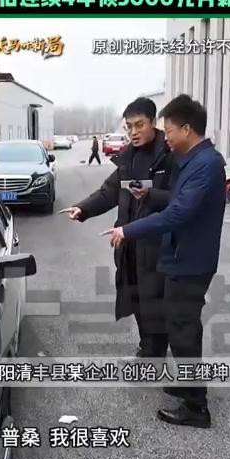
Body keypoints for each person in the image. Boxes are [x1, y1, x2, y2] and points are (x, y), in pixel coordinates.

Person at [107, 94, 226, 429]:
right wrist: (151, 195)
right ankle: (188, 383)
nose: (167, 136)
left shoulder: (206, 164)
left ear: (187, 129)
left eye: (169, 130)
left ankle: (196, 407)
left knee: (184, 330)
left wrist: (128, 230)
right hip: (179, 257)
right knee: (178, 326)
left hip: (190, 261)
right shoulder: (193, 160)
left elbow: (178, 212)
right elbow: (175, 199)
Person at [64, 97, 175, 358]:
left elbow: (181, 200)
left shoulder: (169, 157)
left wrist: (153, 195)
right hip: (128, 243)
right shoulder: (127, 160)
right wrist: (82, 208)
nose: (133, 132)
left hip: (158, 247)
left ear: (153, 122)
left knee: (154, 303)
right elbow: (109, 191)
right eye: (129, 126)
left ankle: (155, 352)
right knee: (135, 298)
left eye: (139, 125)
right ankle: (148, 346)